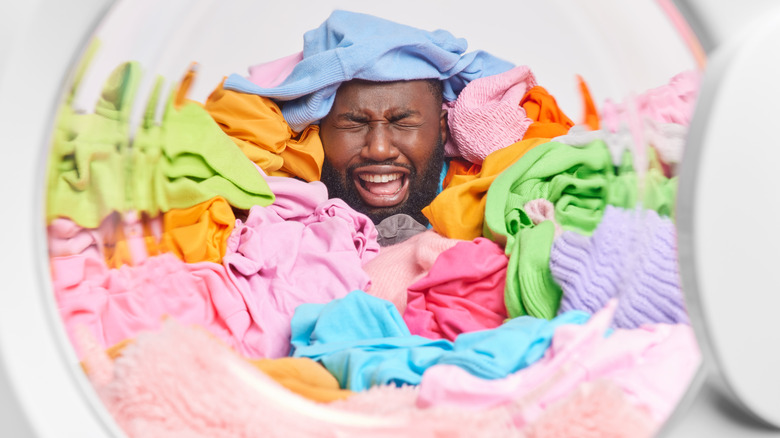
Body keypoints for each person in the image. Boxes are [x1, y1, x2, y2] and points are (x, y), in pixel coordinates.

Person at [318, 79, 447, 226]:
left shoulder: (476, 210)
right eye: (355, 123)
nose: (379, 150)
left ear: (442, 129)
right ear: (318, 131)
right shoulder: (287, 216)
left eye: (402, 122)